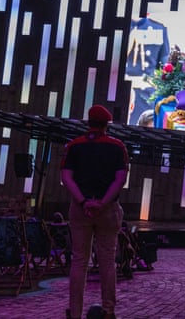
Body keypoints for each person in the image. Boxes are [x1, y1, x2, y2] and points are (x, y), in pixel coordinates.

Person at [61, 104, 129, 319]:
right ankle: (108, 311)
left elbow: (66, 178)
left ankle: (75, 313)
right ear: (107, 124)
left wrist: (82, 202)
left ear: (88, 122)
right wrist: (103, 203)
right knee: (107, 260)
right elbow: (120, 180)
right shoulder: (117, 147)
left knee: (79, 260)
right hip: (108, 210)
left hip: (80, 210)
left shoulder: (74, 146)